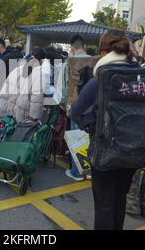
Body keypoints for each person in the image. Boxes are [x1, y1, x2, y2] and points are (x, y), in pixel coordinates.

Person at [71, 30, 139, 230]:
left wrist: (92, 123)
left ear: (103, 52)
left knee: (104, 205)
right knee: (119, 200)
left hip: (105, 152)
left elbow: (76, 113)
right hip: (133, 150)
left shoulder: (99, 80)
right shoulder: (141, 77)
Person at [56, 34, 98, 181]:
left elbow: (62, 87)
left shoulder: (69, 63)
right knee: (92, 137)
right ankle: (91, 171)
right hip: (95, 107)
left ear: (72, 48)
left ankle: (77, 172)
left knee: (77, 138)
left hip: (75, 105)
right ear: (85, 47)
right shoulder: (96, 62)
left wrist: (63, 104)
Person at [0, 47, 48, 123]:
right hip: (22, 116)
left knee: (4, 132)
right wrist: (33, 117)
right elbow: (36, 99)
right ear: (41, 60)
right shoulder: (39, 76)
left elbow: (6, 87)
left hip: (7, 111)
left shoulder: (17, 69)